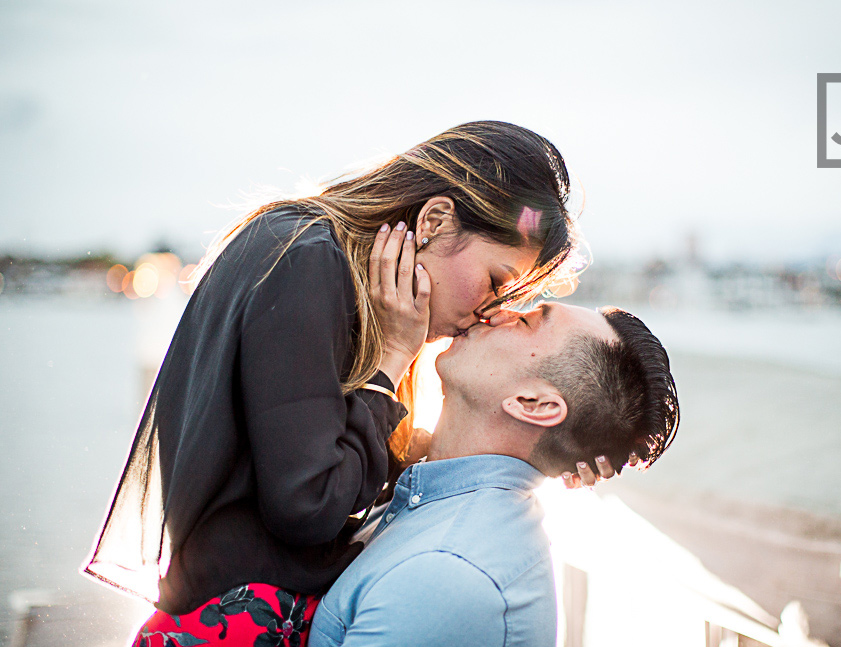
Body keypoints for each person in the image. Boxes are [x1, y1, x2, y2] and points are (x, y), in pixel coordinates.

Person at [82, 120, 619, 647]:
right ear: (435, 220)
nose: (487, 313)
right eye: (496, 282)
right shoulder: (307, 263)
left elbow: (339, 465)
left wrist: (559, 449)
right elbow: (309, 504)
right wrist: (391, 358)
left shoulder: (310, 254)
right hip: (233, 626)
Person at [307, 301, 680, 647]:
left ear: (532, 404)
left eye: (525, 321)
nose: (497, 312)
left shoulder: (447, 576)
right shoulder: (429, 498)